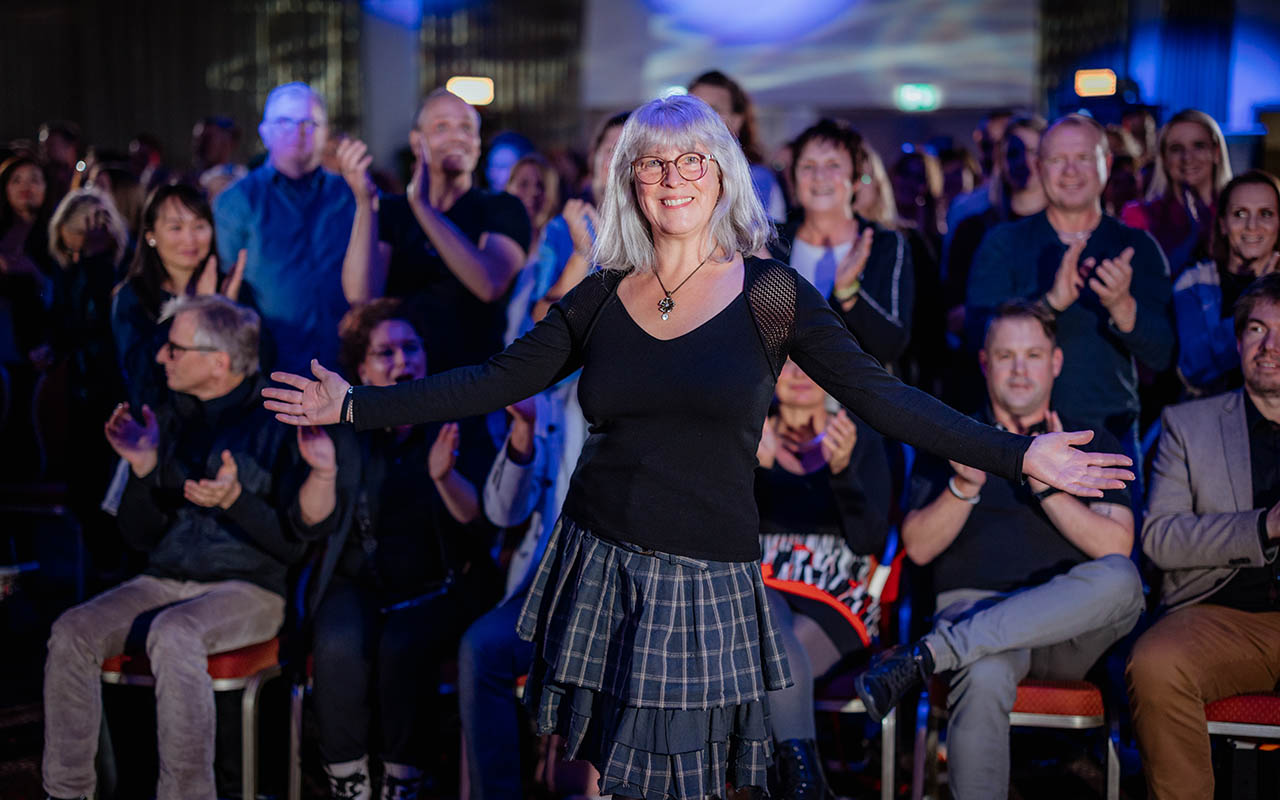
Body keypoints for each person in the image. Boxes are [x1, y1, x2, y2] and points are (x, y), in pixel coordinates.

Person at [263, 94, 1133, 800]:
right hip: (597, 562)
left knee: (676, 777)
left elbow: (883, 395)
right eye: (653, 163)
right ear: (631, 182)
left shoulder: (772, 296)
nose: (673, 178)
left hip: (703, 575)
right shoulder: (600, 296)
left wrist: (1021, 457)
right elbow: (494, 379)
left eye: (692, 160)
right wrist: (356, 405)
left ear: (721, 175)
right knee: (594, 777)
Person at [856, 300, 1143, 800]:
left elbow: (1116, 547)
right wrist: (963, 488)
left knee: (1123, 580)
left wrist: (1046, 484)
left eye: (1032, 354)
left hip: (1066, 632)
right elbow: (918, 549)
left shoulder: (1091, 438)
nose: (1019, 369)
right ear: (985, 362)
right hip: (976, 614)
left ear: (1055, 362)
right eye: (1005, 355)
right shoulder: (953, 433)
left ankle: (929, 653)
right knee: (984, 672)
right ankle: (944, 651)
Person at [42, 294, 314, 800]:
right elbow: (138, 537)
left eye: (174, 348)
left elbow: (294, 545)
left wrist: (235, 501)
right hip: (164, 578)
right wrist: (144, 468)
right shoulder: (165, 417)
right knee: (71, 631)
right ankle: (67, 793)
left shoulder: (279, 421)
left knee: (174, 632)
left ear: (219, 362)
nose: (162, 357)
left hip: (250, 587)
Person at [294, 299, 497, 800]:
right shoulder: (341, 428)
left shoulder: (454, 414)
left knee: (402, 647)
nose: (402, 361)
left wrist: (444, 477)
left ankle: (403, 781)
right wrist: (323, 471)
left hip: (440, 586)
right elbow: (307, 524)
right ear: (360, 368)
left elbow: (483, 525)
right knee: (339, 637)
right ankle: (348, 782)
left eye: (411, 348)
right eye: (385, 353)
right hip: (359, 579)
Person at [1126, 274, 1280, 800]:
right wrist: (1264, 526)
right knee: (1154, 664)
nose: (1270, 347)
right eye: (1257, 330)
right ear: (1237, 342)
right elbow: (1160, 539)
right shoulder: (1187, 425)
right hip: (1218, 617)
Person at [966, 113, 1175, 452]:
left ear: (1106, 163)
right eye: (1058, 159)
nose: (1070, 171)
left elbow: (1163, 355)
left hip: (1109, 435)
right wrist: (1049, 305)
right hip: (1018, 437)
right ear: (1040, 166)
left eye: (1082, 159)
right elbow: (977, 337)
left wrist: (1124, 309)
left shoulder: (1137, 247)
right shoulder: (1003, 244)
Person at [756, 360, 891, 800]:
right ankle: (805, 785)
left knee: (761, 670)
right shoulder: (745, 430)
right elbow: (717, 524)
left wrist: (843, 471)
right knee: (761, 614)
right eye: (786, 363)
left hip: (835, 592)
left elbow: (869, 538)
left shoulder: (859, 434)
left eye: (810, 360)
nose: (799, 374)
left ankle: (791, 782)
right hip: (761, 582)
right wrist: (750, 468)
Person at [344, 88, 531, 375]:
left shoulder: (502, 208)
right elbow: (362, 296)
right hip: (404, 385)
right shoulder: (392, 212)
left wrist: (423, 209)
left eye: (467, 128)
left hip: (475, 382)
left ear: (478, 144)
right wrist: (364, 203)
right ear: (417, 142)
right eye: (441, 127)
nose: (457, 136)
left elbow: (489, 283)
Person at [213, 81, 367, 374]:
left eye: (309, 123)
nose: (298, 133)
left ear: (325, 132)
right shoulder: (236, 201)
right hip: (269, 366)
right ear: (264, 131)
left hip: (346, 363)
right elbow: (228, 290)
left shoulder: (350, 195)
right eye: (285, 122)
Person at [770, 119, 914, 367]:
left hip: (855, 400)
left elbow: (890, 346)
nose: (819, 176)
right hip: (784, 397)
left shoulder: (883, 244)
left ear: (856, 179)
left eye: (833, 165)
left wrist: (848, 294)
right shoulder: (772, 243)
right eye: (808, 166)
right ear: (794, 178)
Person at [114, 183, 247, 410]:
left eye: (199, 226)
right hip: (163, 422)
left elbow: (259, 359)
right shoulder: (133, 296)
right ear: (151, 235)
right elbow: (141, 373)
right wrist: (198, 308)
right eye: (176, 227)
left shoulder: (227, 285)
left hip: (225, 417)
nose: (190, 239)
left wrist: (228, 308)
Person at [1174, 170, 1280, 394]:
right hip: (1211, 417)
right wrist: (1256, 301)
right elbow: (1194, 369)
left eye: (1266, 213)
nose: (1252, 225)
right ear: (1222, 224)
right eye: (1240, 214)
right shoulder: (1194, 282)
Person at [1121, 109, 1233, 275]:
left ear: (1216, 152)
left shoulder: (1238, 212)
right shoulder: (1140, 216)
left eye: (1199, 146)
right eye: (1176, 149)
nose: (1187, 157)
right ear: (1164, 158)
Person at [688, 70, 787, 222]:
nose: (702, 117)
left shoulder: (755, 177)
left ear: (736, 121)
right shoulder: (671, 172)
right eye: (694, 108)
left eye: (714, 110)